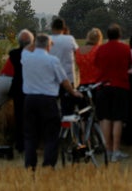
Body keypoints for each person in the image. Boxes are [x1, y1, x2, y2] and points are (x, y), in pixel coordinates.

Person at [22, 33, 83, 170]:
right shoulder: (53, 60)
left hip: (30, 99)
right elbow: (64, 81)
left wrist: (36, 41)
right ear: (48, 46)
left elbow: (26, 48)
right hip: (47, 100)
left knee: (30, 135)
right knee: (51, 135)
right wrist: (73, 92)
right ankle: (48, 165)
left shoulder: (26, 56)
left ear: (36, 44)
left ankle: (30, 165)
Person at [94, 23, 132, 163]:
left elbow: (97, 64)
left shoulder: (101, 49)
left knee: (105, 118)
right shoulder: (125, 48)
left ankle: (107, 149)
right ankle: (116, 150)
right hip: (120, 86)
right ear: (119, 35)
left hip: (103, 86)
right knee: (118, 119)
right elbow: (129, 64)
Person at [8, 29, 34, 153]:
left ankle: (20, 144)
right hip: (30, 89)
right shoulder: (32, 55)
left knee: (19, 117)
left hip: (17, 88)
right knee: (31, 117)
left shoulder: (13, 54)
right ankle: (31, 143)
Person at [49, 18, 79, 116]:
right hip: (68, 78)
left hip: (51, 79)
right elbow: (77, 53)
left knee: (51, 109)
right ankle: (68, 130)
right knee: (68, 110)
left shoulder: (48, 40)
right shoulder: (70, 39)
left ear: (52, 27)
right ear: (63, 28)